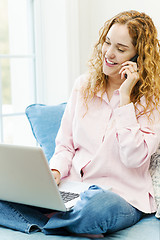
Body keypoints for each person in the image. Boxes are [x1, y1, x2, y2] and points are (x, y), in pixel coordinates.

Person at [0, 10, 160, 238]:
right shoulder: (83, 86)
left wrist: (125, 100)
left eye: (121, 49)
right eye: (107, 42)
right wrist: (54, 172)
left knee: (96, 208)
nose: (109, 53)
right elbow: (65, 146)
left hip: (120, 196)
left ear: (138, 56)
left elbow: (134, 158)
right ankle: (69, 223)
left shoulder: (152, 99)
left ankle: (49, 221)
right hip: (73, 187)